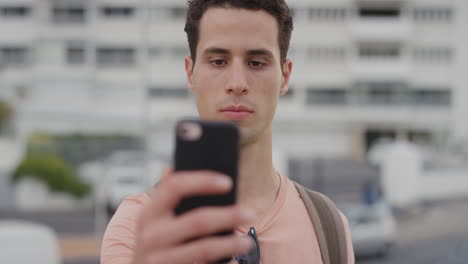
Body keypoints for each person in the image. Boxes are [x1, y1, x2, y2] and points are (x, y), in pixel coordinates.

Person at [101, 0, 355, 263]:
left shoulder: (329, 227)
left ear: (285, 76)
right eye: (218, 61)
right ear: (190, 73)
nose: (237, 83)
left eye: (256, 63)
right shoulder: (137, 228)